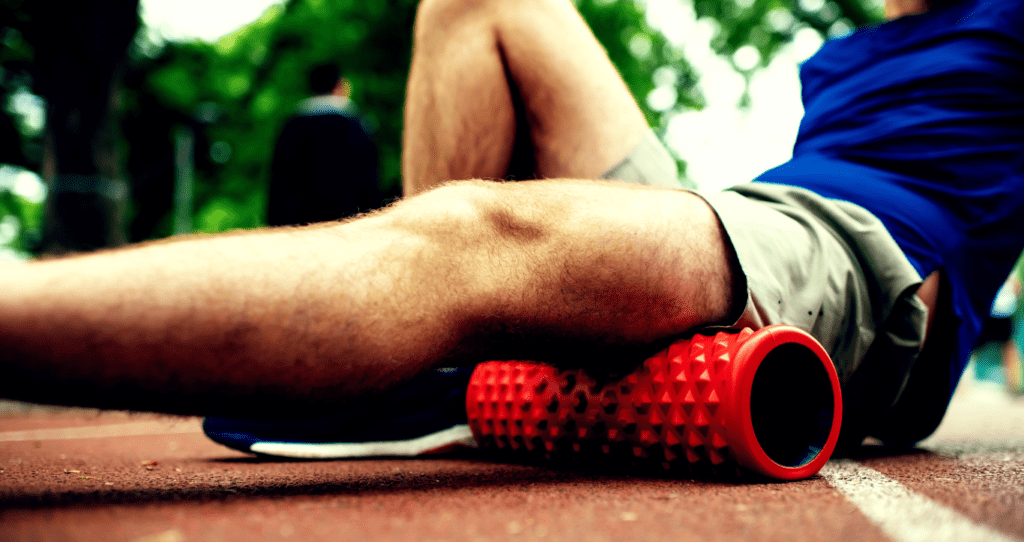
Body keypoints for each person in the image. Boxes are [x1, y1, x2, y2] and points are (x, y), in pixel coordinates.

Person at [0, 0, 1021, 467]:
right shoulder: (854, 49)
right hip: (765, 217)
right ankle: (431, 373)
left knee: (478, 235)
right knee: (477, 1)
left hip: (868, 251)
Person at [266, 63, 382, 226]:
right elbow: (369, 182)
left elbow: (279, 184)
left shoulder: (292, 127)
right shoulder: (356, 125)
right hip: (348, 224)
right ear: (340, 86)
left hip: (300, 225)